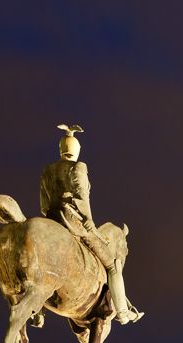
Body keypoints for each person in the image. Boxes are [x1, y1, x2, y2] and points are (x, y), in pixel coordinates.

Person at [39, 124, 142, 324]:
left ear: (61, 149)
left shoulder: (47, 170)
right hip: (73, 223)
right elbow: (82, 196)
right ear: (76, 151)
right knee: (112, 266)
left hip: (50, 220)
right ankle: (122, 312)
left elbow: (43, 205)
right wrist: (89, 221)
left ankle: (38, 311)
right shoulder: (78, 167)